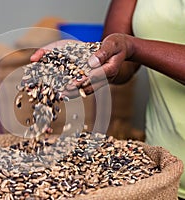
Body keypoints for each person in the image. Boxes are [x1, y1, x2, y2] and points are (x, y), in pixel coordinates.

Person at [30, 0, 185, 198]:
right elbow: (122, 63)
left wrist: (133, 47)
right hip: (161, 175)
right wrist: (85, 57)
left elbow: (129, 48)